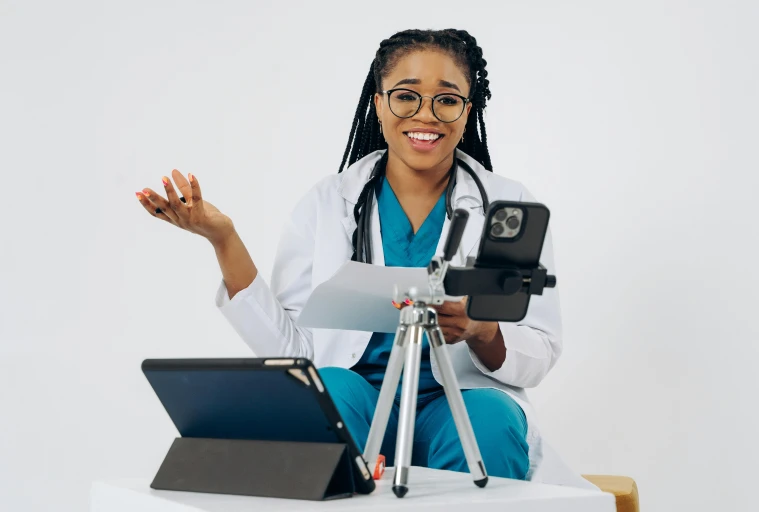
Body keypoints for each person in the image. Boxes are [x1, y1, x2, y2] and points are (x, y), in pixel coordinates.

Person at [135, 28, 593, 488]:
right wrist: (224, 240)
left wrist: (482, 330)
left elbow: (540, 350)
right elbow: (295, 355)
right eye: (406, 96)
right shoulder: (327, 203)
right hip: (360, 401)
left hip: (460, 402)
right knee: (325, 394)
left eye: (447, 100)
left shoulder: (507, 206)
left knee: (489, 421)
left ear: (467, 110)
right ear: (377, 103)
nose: (426, 115)